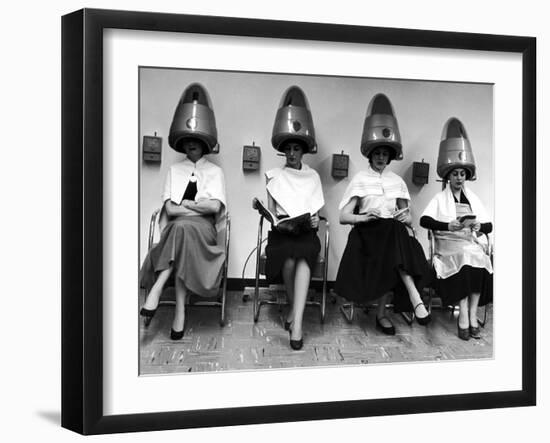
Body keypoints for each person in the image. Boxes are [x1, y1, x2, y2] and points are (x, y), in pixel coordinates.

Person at [336, 93, 432, 335]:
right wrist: (363, 218)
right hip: (367, 235)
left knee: (396, 231)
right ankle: (412, 298)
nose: (381, 158)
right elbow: (343, 217)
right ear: (371, 155)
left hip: (392, 234)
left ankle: (391, 308)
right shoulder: (360, 179)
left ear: (390, 156)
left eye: (385, 154)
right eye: (377, 153)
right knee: (393, 238)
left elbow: (408, 219)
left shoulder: (397, 181)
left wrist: (404, 217)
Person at [139, 83, 227, 340]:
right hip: (181, 230)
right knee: (181, 229)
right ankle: (180, 312)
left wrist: (186, 206)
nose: (192, 144)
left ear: (204, 142)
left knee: (182, 227)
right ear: (182, 141)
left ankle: (158, 288)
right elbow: (169, 209)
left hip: (204, 230)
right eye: (187, 140)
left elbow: (214, 207)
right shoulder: (174, 171)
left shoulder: (215, 172)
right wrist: (194, 208)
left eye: (197, 141)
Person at [263, 86, 325, 350]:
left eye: (296, 149)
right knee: (288, 260)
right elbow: (272, 213)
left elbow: (317, 214)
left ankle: (297, 322)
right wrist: (276, 219)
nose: (291, 153)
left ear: (303, 151)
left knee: (303, 255)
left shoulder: (313, 176)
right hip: (282, 233)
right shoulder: (273, 175)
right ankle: (293, 307)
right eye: (287, 149)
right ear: (283, 150)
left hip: (306, 233)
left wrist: (314, 221)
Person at [420, 117, 493, 340]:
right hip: (447, 244)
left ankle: (471, 315)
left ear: (466, 176)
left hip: (468, 242)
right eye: (455, 174)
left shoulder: (472, 198)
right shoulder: (440, 198)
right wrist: (447, 224)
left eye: (462, 174)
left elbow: (489, 226)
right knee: (465, 257)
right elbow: (424, 221)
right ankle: (462, 316)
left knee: (478, 256)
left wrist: (479, 225)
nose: (459, 178)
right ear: (448, 176)